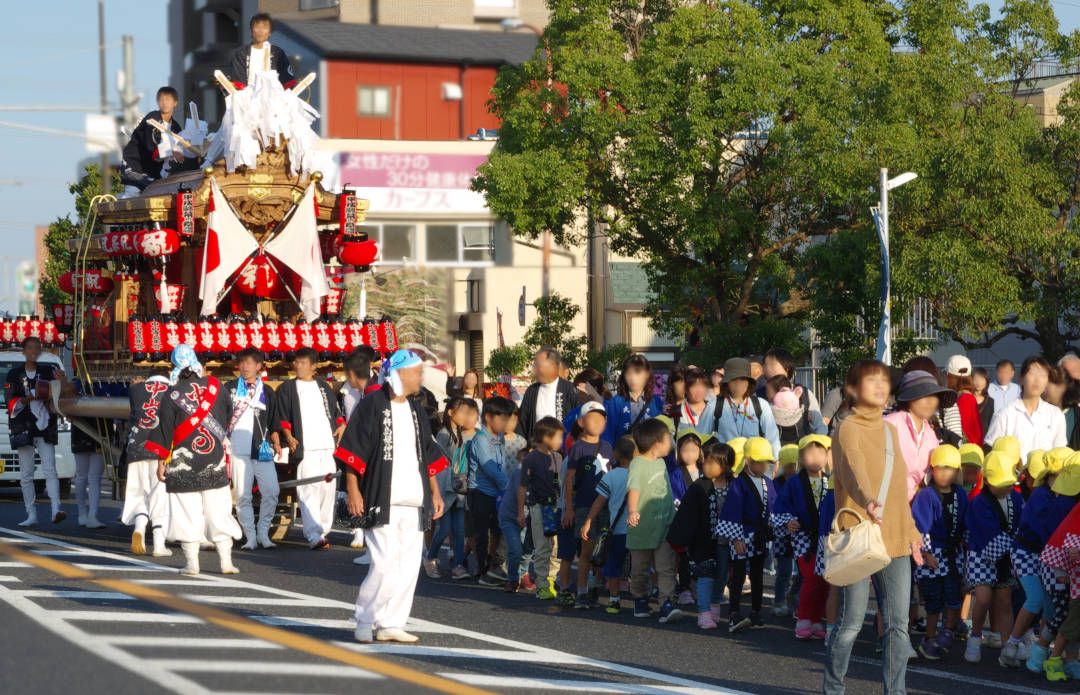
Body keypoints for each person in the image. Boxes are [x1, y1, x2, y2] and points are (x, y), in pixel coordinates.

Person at [823, 359, 925, 695]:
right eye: (871, 381)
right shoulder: (847, 428)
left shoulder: (890, 429)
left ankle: (895, 692)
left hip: (894, 535)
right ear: (852, 389)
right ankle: (833, 689)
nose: (881, 386)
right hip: (859, 533)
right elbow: (853, 470)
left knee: (898, 625)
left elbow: (897, 490)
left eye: (884, 381)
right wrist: (867, 498)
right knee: (851, 623)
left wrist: (911, 533)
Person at [338, 349, 448, 644]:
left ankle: (391, 623)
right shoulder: (372, 404)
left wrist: (435, 492)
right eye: (417, 372)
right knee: (385, 564)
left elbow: (427, 452)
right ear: (400, 373)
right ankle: (365, 617)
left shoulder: (415, 409)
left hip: (414, 500)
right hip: (381, 498)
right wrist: (353, 490)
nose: (421, 377)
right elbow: (353, 449)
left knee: (409, 565)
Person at [145, 345, 242, 576]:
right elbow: (228, 418)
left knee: (186, 513)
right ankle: (226, 563)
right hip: (214, 460)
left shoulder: (172, 394)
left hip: (182, 464)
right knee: (219, 512)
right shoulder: (217, 387)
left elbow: (165, 432)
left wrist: (161, 461)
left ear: (174, 367)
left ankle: (192, 564)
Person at [275, 347, 346, 549]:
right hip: (306, 448)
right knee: (308, 490)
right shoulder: (288, 387)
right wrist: (288, 436)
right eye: (296, 362)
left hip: (327, 446)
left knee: (327, 490)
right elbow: (283, 417)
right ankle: (314, 535)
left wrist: (342, 425)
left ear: (314, 366)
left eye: (303, 362)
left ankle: (323, 530)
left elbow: (336, 412)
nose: (298, 366)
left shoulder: (324, 387)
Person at [1000, 446, 1061, 667]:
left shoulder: (1062, 495)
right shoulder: (1041, 496)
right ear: (1051, 475)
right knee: (1035, 599)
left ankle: (1038, 648)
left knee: (1050, 604)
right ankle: (1011, 644)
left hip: (1047, 554)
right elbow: (1044, 531)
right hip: (1026, 552)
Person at [667, 438, 735, 630]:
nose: (705, 465)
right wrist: (682, 538)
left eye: (712, 463)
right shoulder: (699, 486)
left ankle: (714, 605)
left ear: (725, 465)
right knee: (705, 576)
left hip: (727, 540)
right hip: (703, 540)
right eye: (706, 461)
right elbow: (686, 514)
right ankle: (703, 613)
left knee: (722, 575)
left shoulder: (734, 484)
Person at [962, 451, 1023, 664]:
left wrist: (1013, 545)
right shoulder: (979, 502)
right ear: (986, 480)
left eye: (1008, 483)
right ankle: (975, 638)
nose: (1005, 487)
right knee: (984, 599)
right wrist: (1013, 545)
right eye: (1000, 483)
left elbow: (1020, 526)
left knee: (1005, 602)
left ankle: (1008, 647)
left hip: (1005, 557)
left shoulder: (1016, 498)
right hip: (981, 554)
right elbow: (985, 532)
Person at [910, 444, 968, 659]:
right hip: (932, 554)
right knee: (933, 601)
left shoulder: (961, 494)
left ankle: (948, 632)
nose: (945, 473)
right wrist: (925, 554)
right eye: (940, 468)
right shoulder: (926, 495)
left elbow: (965, 524)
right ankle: (929, 638)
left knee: (954, 597)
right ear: (931, 470)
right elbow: (918, 526)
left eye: (950, 469)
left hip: (953, 554)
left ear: (957, 471)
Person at [772, 434, 831, 639]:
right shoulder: (794, 482)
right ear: (801, 457)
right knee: (811, 576)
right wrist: (788, 521)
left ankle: (816, 621)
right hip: (804, 537)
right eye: (809, 453)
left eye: (820, 452)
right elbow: (780, 506)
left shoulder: (830, 481)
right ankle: (803, 618)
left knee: (825, 580)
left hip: (826, 538)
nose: (815, 457)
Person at [719, 436, 777, 632]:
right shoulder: (739, 483)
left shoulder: (768, 483)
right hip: (742, 534)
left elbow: (774, 507)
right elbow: (732, 510)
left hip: (759, 534)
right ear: (748, 461)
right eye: (760, 462)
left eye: (767, 462)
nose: (764, 466)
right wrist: (736, 538)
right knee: (737, 577)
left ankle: (755, 612)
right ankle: (734, 613)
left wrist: (772, 523)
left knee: (757, 574)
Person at [626, 418, 680, 624]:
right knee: (639, 569)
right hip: (641, 527)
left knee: (665, 567)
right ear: (657, 442)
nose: (671, 442)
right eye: (668, 438)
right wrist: (632, 510)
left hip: (663, 526)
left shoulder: (661, 463)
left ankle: (666, 603)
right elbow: (634, 488)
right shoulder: (637, 463)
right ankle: (640, 599)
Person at [226, 348, 279, 550]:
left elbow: (273, 422)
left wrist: (276, 441)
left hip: (262, 449)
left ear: (259, 366)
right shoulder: (229, 388)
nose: (245, 366)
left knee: (272, 491)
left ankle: (263, 532)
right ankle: (250, 536)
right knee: (242, 496)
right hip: (237, 450)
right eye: (242, 362)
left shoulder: (267, 391)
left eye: (249, 363)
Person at [6, 336, 64, 526]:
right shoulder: (14, 374)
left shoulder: (48, 371)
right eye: (30, 347)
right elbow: (10, 401)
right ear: (24, 351)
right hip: (23, 426)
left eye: (37, 348)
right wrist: (28, 398)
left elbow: (59, 394)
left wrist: (59, 382)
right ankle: (31, 514)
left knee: (50, 470)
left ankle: (56, 509)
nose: (34, 351)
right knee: (26, 474)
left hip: (44, 426)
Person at [562, 401, 614, 608]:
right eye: (592, 418)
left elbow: (613, 474)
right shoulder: (576, 448)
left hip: (607, 506)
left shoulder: (609, 447)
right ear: (582, 422)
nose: (597, 422)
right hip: (584, 505)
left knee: (603, 549)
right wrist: (569, 508)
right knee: (586, 549)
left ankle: (594, 584)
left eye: (601, 419)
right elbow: (568, 480)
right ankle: (582, 591)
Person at [582, 434, 636, 614]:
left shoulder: (611, 475)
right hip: (638, 530)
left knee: (614, 565)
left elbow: (599, 501)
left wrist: (588, 521)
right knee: (640, 565)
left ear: (617, 454)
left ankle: (614, 600)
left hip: (617, 529)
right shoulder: (641, 476)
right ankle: (641, 600)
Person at [885, 370, 955, 502]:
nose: (931, 402)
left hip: (910, 510)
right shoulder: (890, 424)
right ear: (910, 398)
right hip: (880, 507)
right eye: (925, 395)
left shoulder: (931, 437)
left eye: (934, 396)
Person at [427, 397, 478, 580]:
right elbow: (450, 463)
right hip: (446, 488)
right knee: (444, 528)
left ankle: (457, 565)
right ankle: (431, 557)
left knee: (459, 529)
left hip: (458, 486)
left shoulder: (458, 433)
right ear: (451, 413)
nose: (466, 416)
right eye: (462, 412)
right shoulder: (444, 434)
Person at [122, 374, 172, 556]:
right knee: (159, 499)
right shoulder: (172, 392)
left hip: (135, 449)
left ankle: (139, 530)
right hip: (158, 450)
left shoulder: (135, 390)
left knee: (140, 495)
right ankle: (159, 545)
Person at [518, 416, 567, 600]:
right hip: (539, 507)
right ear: (546, 437)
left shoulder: (557, 457)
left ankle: (551, 580)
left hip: (555, 507)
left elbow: (557, 481)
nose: (561, 442)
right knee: (542, 546)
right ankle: (541, 585)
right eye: (559, 437)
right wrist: (520, 512)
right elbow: (523, 486)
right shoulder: (531, 458)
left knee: (556, 547)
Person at [985, 355, 1067, 462]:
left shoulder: (1055, 415)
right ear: (1021, 378)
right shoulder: (1005, 414)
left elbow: (1059, 452)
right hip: (1012, 477)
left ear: (1047, 381)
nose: (1037, 380)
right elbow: (991, 451)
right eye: (1032, 373)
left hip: (1045, 477)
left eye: (1042, 375)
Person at [468, 396, 512, 585]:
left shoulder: (499, 438)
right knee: (482, 534)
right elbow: (490, 468)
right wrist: (510, 486)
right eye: (501, 418)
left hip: (497, 493)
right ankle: (482, 570)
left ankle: (495, 567)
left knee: (499, 529)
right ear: (488, 417)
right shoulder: (480, 439)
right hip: (479, 491)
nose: (505, 422)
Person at [715, 357, 781, 458]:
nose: (738, 384)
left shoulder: (761, 405)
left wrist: (775, 460)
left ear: (749, 382)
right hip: (725, 467)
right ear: (726, 383)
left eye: (742, 379)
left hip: (753, 467)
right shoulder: (715, 405)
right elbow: (702, 437)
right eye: (733, 380)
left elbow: (772, 437)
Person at [121, 86, 184, 189]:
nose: (164, 102)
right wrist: (171, 151)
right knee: (135, 195)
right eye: (161, 99)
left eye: (168, 99)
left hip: (153, 173)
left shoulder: (176, 128)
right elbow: (151, 144)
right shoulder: (151, 120)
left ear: (175, 103)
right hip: (134, 167)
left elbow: (180, 149)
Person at [603, 354, 665, 446]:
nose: (633, 378)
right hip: (623, 457)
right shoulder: (616, 402)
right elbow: (608, 435)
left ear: (647, 375)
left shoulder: (656, 402)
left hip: (649, 457)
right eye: (629, 373)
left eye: (637, 373)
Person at [517, 348, 577, 441]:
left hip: (563, 447)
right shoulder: (532, 390)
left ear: (552, 365)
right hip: (537, 448)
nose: (534, 369)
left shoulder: (569, 389)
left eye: (538, 365)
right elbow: (522, 422)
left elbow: (577, 420)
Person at [225, 12, 296, 89]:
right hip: (248, 98)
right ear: (252, 30)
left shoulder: (277, 53)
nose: (260, 31)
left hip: (273, 98)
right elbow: (236, 81)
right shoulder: (241, 54)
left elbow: (287, 80)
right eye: (257, 27)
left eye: (265, 27)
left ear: (270, 32)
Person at [768, 376, 827, 446]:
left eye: (768, 392)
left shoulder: (769, 411)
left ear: (780, 393)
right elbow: (822, 427)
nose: (767, 395)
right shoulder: (805, 412)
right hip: (801, 448)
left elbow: (821, 426)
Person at [942, 355, 984, 446]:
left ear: (948, 375)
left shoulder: (965, 399)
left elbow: (956, 433)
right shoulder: (967, 396)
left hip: (966, 453)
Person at [71, 424, 106, 529]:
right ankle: (91, 515)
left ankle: (83, 514)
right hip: (99, 432)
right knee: (93, 477)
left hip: (79, 432)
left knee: (82, 476)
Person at [678, 368, 717, 436]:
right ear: (686, 389)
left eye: (702, 385)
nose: (698, 390)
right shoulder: (676, 411)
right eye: (694, 386)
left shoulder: (715, 410)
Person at [971, 367, 996, 435]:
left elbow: (991, 423)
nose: (978, 382)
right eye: (976, 379)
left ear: (986, 381)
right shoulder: (967, 399)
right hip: (969, 438)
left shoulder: (990, 401)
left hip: (984, 439)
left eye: (982, 379)